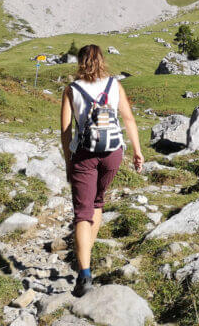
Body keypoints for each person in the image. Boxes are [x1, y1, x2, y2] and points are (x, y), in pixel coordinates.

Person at [60, 44, 144, 297]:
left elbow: (66, 131)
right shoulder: (114, 85)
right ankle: (87, 253)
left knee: (82, 213)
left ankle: (84, 273)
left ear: (80, 61)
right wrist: (137, 151)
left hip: (84, 155)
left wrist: (68, 160)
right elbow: (128, 119)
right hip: (113, 153)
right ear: (102, 60)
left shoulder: (71, 89)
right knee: (97, 202)